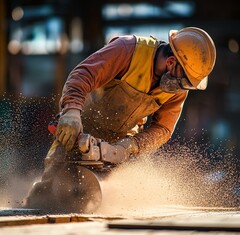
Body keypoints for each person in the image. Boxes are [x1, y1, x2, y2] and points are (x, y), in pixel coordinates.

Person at [24, 27, 216, 212]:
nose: (184, 88)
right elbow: (83, 75)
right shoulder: (128, 50)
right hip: (81, 127)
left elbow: (164, 128)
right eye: (185, 81)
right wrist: (72, 111)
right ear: (172, 62)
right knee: (48, 193)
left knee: (120, 200)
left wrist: (132, 146)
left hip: (122, 143)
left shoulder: (177, 88)